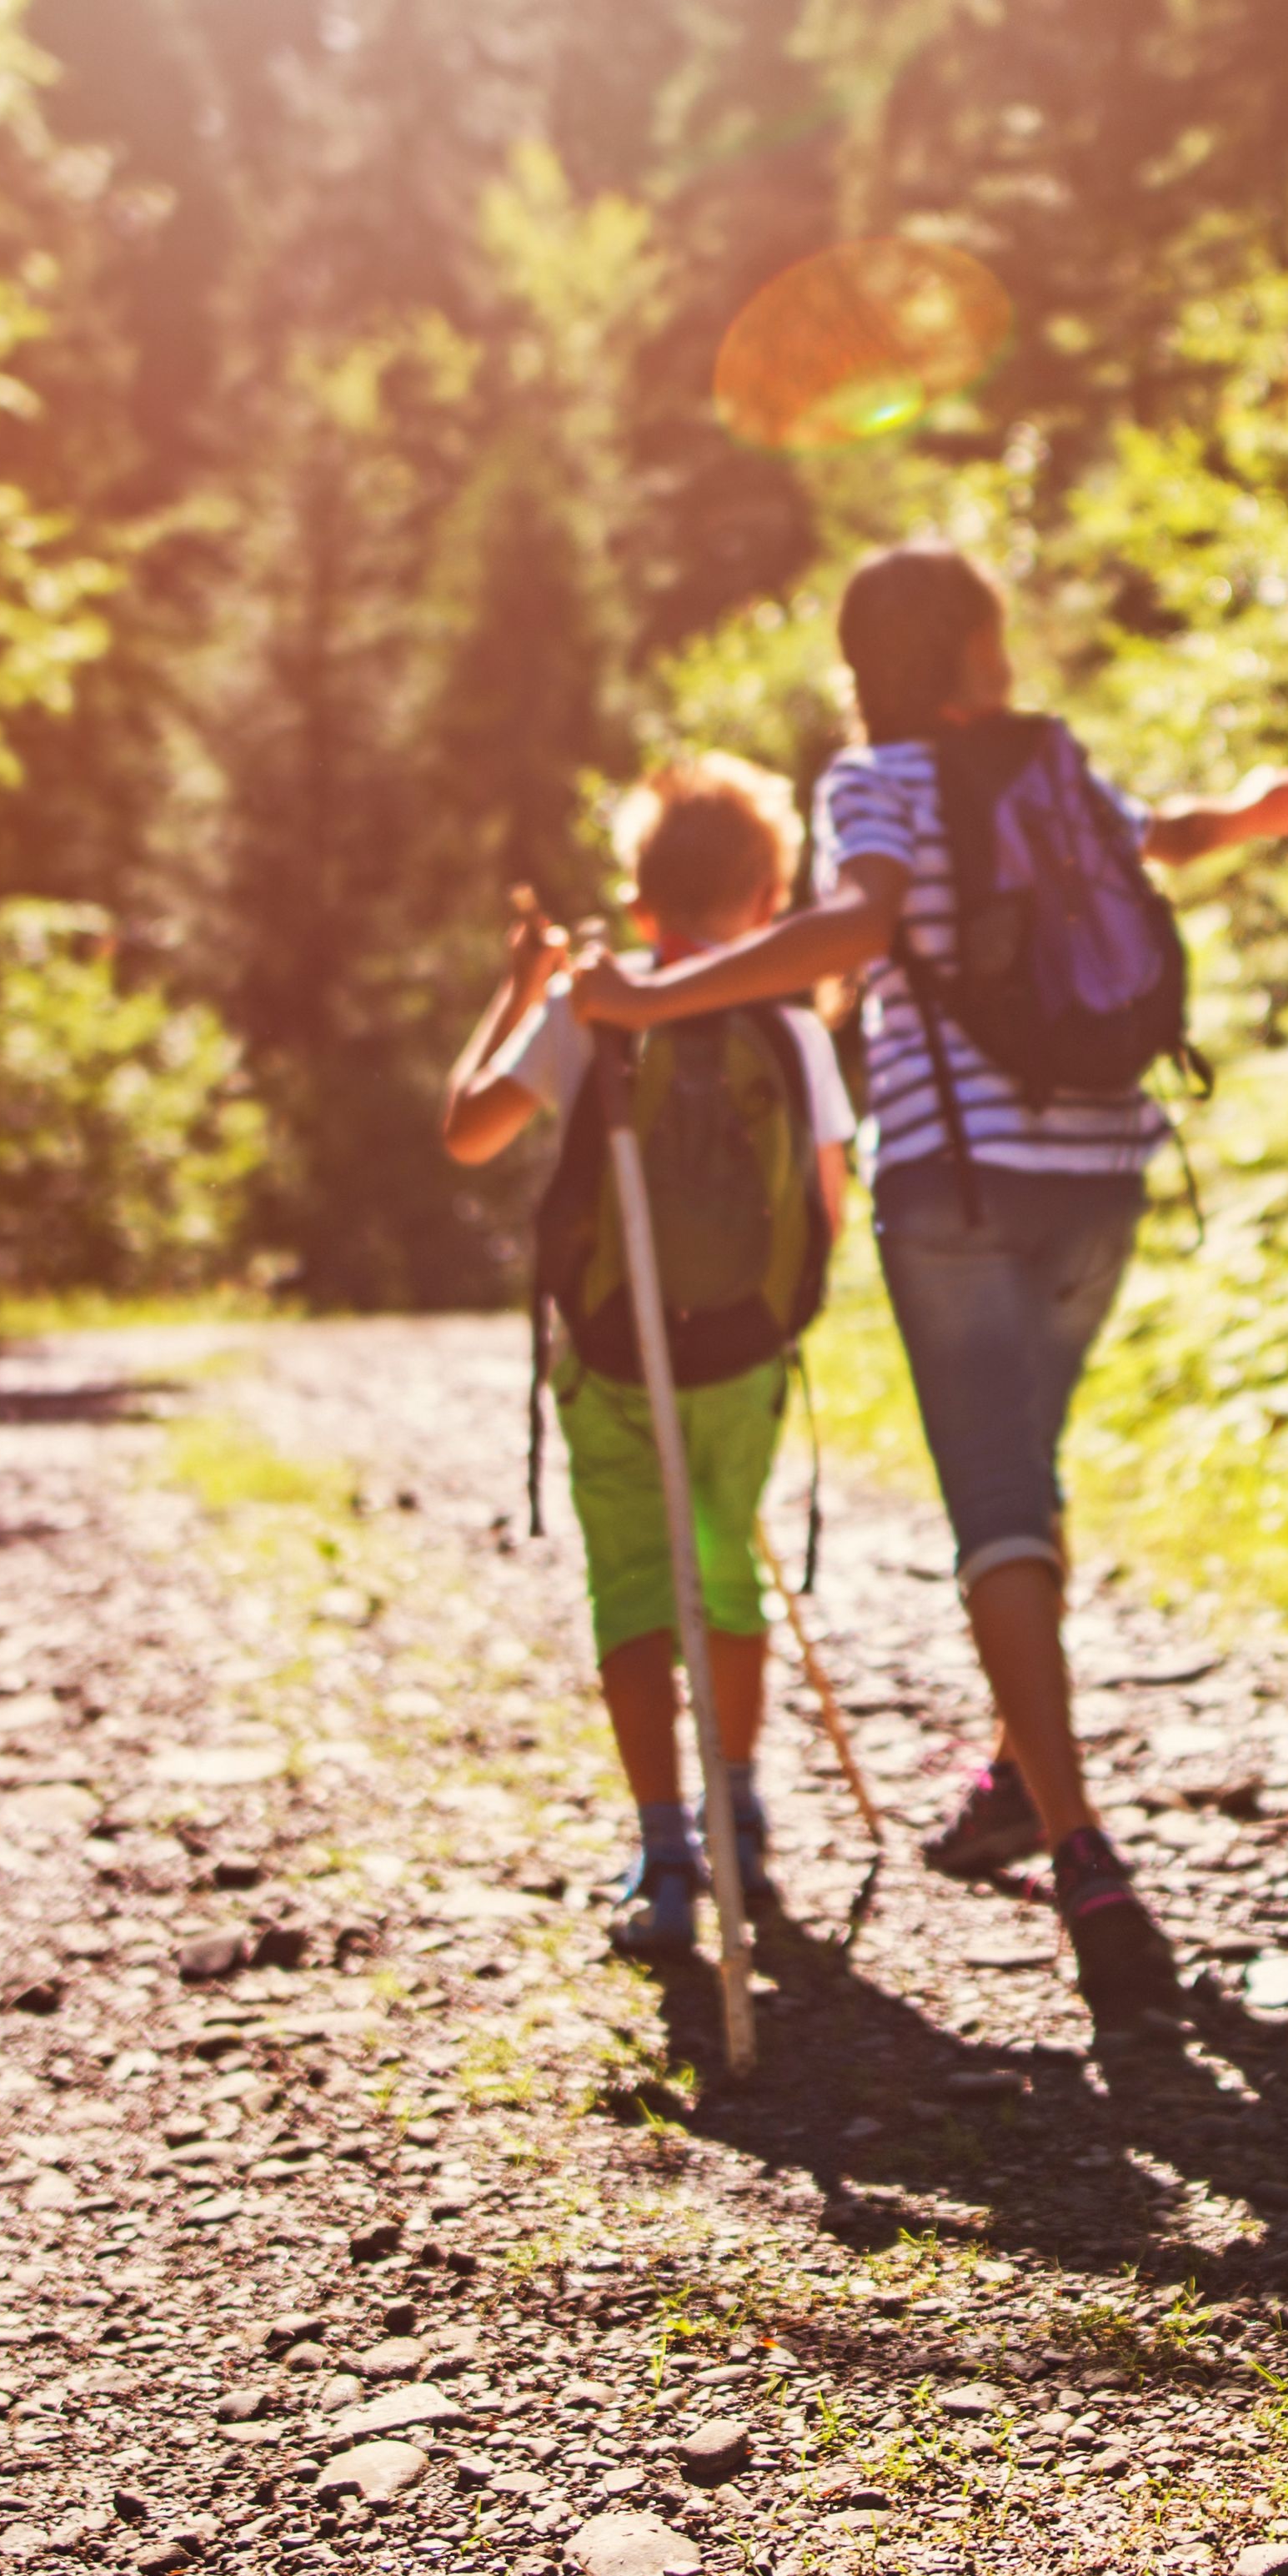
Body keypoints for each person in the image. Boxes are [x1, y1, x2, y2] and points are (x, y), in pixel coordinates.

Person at [575, 543, 1288, 2016]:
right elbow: (1174, 833)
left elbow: (861, 927)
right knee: (1025, 1481)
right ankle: (1012, 1777)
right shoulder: (1052, 766)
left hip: (961, 1179)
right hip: (1106, 1159)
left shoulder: (880, 782)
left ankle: (1081, 1846)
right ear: (973, 647)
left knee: (992, 1505)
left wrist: (658, 992)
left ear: (868, 668)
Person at [440, 756, 854, 1965]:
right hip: (740, 1352)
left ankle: (663, 1846)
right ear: (767, 895)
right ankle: (740, 1808)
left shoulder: (587, 1009)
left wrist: (519, 993)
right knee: (726, 1567)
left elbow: (469, 1133)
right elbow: (824, 1207)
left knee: (631, 1585)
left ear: (639, 897)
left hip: (614, 1355)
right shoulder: (789, 1021)